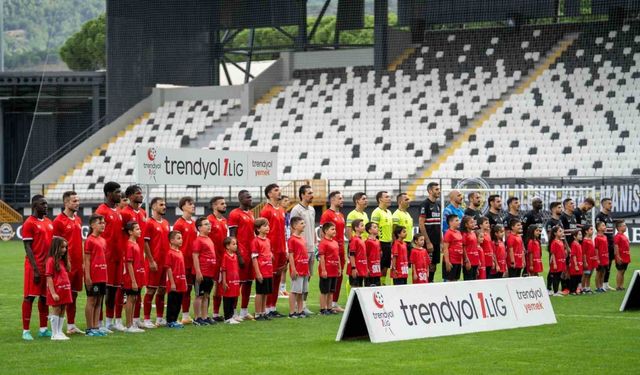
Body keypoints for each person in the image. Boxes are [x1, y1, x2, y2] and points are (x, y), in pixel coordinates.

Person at [22, 195, 54, 341]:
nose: (46, 206)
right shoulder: (29, 223)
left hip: (47, 267)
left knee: (44, 298)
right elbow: (27, 247)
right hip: (33, 266)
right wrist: (35, 269)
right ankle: (26, 331)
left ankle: (43, 329)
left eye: (46, 203)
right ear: (35, 206)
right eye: (43, 204)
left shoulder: (48, 222)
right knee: (29, 297)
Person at [94, 182, 125, 332]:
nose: (120, 194)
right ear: (108, 194)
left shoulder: (118, 211)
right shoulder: (101, 211)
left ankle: (108, 321)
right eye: (117, 192)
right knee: (102, 291)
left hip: (118, 257)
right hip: (106, 257)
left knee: (113, 290)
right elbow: (93, 234)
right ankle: (98, 323)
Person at [52, 191, 84, 335]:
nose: (77, 203)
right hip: (66, 265)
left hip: (78, 264)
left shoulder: (78, 219)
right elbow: (55, 246)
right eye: (74, 201)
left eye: (78, 200)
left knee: (74, 295)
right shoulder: (58, 221)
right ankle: (57, 329)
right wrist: (60, 264)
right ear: (66, 203)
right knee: (62, 295)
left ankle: (71, 325)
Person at [120, 185, 147, 328]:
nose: (141, 195)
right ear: (130, 196)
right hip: (129, 256)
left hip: (139, 255)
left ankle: (136, 320)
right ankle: (121, 321)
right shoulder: (124, 213)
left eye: (141, 193)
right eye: (137, 193)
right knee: (128, 292)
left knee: (138, 290)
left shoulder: (143, 212)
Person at [260, 184, 287, 318]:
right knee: (269, 279)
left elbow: (283, 230)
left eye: (279, 189)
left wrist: (285, 248)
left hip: (281, 248)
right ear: (269, 194)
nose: (279, 192)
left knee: (277, 278)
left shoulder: (281, 209)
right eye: (276, 190)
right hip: (271, 250)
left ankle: (273, 307)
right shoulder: (266, 210)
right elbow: (262, 232)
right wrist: (267, 249)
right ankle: (265, 308)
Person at [142, 197, 170, 328]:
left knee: (162, 291)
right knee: (151, 290)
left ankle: (159, 318)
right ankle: (147, 319)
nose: (164, 207)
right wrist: (151, 260)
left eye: (164, 204)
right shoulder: (149, 223)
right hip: (154, 262)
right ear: (153, 207)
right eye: (161, 204)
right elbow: (145, 243)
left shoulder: (165, 223)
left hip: (165, 263)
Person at [228, 190, 256, 320]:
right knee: (237, 283)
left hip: (251, 253)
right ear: (240, 199)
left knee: (249, 282)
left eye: (250, 197)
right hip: (241, 252)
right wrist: (238, 255)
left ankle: (244, 311)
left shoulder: (251, 213)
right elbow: (232, 235)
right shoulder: (234, 214)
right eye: (247, 197)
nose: (250, 199)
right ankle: (233, 312)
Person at [289, 185, 316, 316]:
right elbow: (292, 228)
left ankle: (303, 305)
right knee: (298, 279)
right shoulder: (296, 210)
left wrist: (315, 244)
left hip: (311, 248)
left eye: (312, 193)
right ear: (302, 195)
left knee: (308, 278)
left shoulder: (312, 209)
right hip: (300, 250)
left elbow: (312, 228)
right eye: (309, 193)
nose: (312, 195)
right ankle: (295, 307)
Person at [319, 191, 346, 311]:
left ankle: (334, 303)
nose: (342, 200)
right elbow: (322, 232)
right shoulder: (327, 214)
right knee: (329, 277)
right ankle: (327, 305)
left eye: (342, 198)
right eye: (339, 198)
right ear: (332, 200)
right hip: (331, 249)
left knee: (338, 275)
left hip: (340, 248)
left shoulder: (341, 215)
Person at [173, 196, 197, 324]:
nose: (193, 206)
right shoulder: (179, 223)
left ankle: (186, 315)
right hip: (182, 261)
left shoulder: (193, 223)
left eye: (193, 204)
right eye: (190, 204)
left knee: (189, 288)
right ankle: (177, 315)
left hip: (192, 261)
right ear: (183, 207)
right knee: (181, 289)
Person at [84, 214, 108, 337]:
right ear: (93, 225)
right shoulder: (89, 240)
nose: (103, 225)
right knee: (92, 300)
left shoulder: (103, 240)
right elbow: (87, 260)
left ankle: (96, 326)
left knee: (99, 300)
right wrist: (87, 277)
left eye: (104, 223)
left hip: (102, 274)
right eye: (100, 223)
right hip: (93, 275)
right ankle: (89, 328)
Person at [45, 237, 73, 341]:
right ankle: (54, 333)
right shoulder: (51, 260)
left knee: (62, 309)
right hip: (56, 291)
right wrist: (53, 293)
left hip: (65, 290)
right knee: (56, 309)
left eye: (66, 247)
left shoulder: (63, 260)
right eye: (62, 247)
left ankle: (60, 331)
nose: (64, 250)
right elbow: (49, 277)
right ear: (56, 247)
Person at [192, 217, 217, 326]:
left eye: (209, 224)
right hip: (202, 272)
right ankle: (197, 318)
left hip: (210, 273)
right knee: (199, 295)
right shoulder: (198, 240)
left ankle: (205, 316)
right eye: (206, 224)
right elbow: (195, 256)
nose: (209, 226)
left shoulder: (209, 239)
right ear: (199, 228)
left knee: (206, 295)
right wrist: (198, 271)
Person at [207, 196, 228, 322]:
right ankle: (204, 314)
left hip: (222, 258)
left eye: (225, 203)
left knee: (219, 286)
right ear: (214, 206)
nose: (225, 205)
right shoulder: (209, 220)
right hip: (210, 259)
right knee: (208, 287)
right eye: (222, 203)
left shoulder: (225, 221)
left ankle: (215, 313)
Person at [123, 221, 146, 333]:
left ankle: (131, 323)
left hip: (138, 276)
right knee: (130, 299)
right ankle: (128, 325)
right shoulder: (129, 245)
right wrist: (133, 281)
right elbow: (129, 264)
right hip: (131, 278)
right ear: (130, 232)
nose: (140, 230)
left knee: (135, 299)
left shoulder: (136, 244)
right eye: (137, 229)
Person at [419, 182, 441, 283]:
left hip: (436, 241)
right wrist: (427, 242)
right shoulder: (425, 204)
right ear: (430, 191)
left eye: (439, 189)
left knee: (434, 266)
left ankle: (430, 283)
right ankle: (425, 285)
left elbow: (438, 223)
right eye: (436, 189)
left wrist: (440, 240)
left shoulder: (438, 205)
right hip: (429, 241)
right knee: (426, 265)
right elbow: (421, 224)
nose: (439, 191)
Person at [287, 217, 309, 318]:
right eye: (301, 223)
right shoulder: (292, 239)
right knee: (294, 291)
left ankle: (300, 311)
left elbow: (304, 254)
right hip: (297, 269)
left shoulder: (303, 238)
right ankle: (292, 312)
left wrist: (307, 268)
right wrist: (293, 269)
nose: (304, 225)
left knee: (301, 291)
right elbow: (291, 255)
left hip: (304, 268)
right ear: (295, 226)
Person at [252, 218, 273, 321]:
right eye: (265, 226)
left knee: (265, 293)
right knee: (260, 293)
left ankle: (263, 312)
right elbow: (254, 258)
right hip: (262, 272)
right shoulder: (256, 241)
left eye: (268, 225)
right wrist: (258, 273)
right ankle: (257, 313)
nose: (267, 227)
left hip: (269, 271)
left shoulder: (268, 240)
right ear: (258, 229)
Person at [165, 231, 186, 329]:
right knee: (172, 302)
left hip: (181, 282)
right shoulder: (170, 253)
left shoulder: (180, 252)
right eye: (178, 238)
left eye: (181, 238)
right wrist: (172, 283)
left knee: (178, 302)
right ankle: (170, 321)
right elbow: (168, 268)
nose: (181, 240)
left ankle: (175, 319)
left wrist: (184, 280)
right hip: (174, 282)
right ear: (172, 240)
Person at [371, 191, 393, 286]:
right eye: (387, 197)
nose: (389, 198)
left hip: (388, 243)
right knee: (379, 265)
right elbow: (374, 229)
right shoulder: (376, 212)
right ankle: (376, 283)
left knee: (386, 265)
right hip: (381, 242)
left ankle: (382, 283)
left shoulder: (389, 212)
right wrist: (377, 244)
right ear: (380, 199)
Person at [318, 222, 340, 315]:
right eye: (332, 229)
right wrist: (323, 270)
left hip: (334, 270)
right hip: (327, 270)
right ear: (326, 231)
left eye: (335, 229)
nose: (334, 231)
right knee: (324, 291)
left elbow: (337, 256)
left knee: (331, 291)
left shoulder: (335, 242)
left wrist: (339, 268)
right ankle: (323, 309)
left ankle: (329, 308)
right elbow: (322, 257)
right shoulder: (323, 243)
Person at [596, 198, 616, 291]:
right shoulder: (599, 216)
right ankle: (599, 285)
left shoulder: (610, 216)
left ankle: (606, 284)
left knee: (608, 265)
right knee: (601, 267)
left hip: (610, 244)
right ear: (603, 205)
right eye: (609, 203)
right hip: (603, 245)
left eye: (611, 203)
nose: (611, 205)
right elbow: (598, 230)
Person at [220, 237, 241, 324]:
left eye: (236, 244)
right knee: (227, 299)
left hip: (235, 281)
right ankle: (227, 317)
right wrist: (224, 281)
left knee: (233, 298)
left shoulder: (235, 256)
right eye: (233, 244)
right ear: (227, 246)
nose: (236, 246)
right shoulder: (225, 256)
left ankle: (232, 316)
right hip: (228, 281)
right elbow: (223, 269)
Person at [545, 202, 563, 291]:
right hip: (554, 248)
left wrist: (566, 247)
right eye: (559, 207)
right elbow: (550, 237)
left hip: (560, 247)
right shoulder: (550, 222)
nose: (561, 209)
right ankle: (548, 288)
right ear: (553, 209)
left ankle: (555, 288)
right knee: (553, 269)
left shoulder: (560, 221)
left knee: (559, 268)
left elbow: (563, 236)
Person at [392, 193, 414, 262]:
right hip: (401, 243)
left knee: (406, 265)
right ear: (400, 202)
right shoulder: (396, 214)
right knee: (401, 264)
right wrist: (396, 244)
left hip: (409, 243)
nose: (409, 201)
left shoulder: (408, 214)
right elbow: (393, 230)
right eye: (406, 199)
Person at [443, 215, 463, 282]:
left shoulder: (458, 232)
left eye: (458, 220)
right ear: (450, 222)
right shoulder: (448, 233)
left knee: (456, 280)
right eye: (456, 220)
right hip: (451, 261)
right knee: (450, 281)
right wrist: (447, 262)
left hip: (458, 261)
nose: (459, 222)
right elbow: (445, 248)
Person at [348, 219, 368, 288]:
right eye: (362, 225)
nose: (364, 227)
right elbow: (351, 255)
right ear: (356, 228)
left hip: (361, 269)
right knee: (355, 290)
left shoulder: (360, 239)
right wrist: (353, 268)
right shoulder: (354, 240)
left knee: (359, 289)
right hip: (356, 270)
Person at [549, 226, 567, 296]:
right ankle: (555, 292)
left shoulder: (561, 241)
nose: (562, 232)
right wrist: (554, 263)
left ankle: (556, 290)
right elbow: (553, 253)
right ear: (555, 233)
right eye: (560, 231)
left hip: (561, 261)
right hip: (556, 262)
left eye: (562, 231)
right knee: (555, 276)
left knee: (559, 276)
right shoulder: (554, 242)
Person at [461, 216, 479, 281]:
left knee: (474, 280)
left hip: (475, 261)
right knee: (468, 280)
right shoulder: (464, 234)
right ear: (466, 225)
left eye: (473, 222)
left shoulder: (473, 233)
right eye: (471, 223)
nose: (473, 224)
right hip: (469, 261)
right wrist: (466, 260)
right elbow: (463, 247)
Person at [614, 220, 631, 291]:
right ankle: (618, 286)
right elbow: (616, 247)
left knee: (623, 271)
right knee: (620, 271)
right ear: (619, 227)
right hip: (621, 257)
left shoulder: (623, 235)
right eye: (624, 225)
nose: (625, 227)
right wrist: (618, 257)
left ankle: (621, 285)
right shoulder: (617, 236)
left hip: (626, 256)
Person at [581, 225, 597, 293]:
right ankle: (582, 288)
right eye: (591, 229)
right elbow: (584, 253)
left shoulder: (590, 239)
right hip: (587, 260)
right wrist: (585, 262)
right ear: (586, 231)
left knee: (589, 274)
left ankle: (588, 287)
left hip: (592, 260)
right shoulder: (584, 241)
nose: (592, 231)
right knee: (585, 274)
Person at [594, 221, 609, 292]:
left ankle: (601, 286)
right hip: (600, 258)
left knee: (603, 272)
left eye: (605, 225)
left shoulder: (605, 237)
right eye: (603, 225)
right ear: (599, 228)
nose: (605, 227)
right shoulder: (597, 238)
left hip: (605, 258)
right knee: (598, 272)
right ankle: (597, 287)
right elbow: (596, 249)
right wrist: (597, 258)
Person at [568, 230, 584, 295]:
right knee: (574, 277)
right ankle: (572, 290)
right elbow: (573, 255)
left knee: (578, 277)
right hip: (575, 264)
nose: (581, 236)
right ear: (574, 236)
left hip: (580, 263)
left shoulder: (579, 244)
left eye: (581, 234)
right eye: (579, 235)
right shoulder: (574, 244)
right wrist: (575, 265)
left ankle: (578, 289)